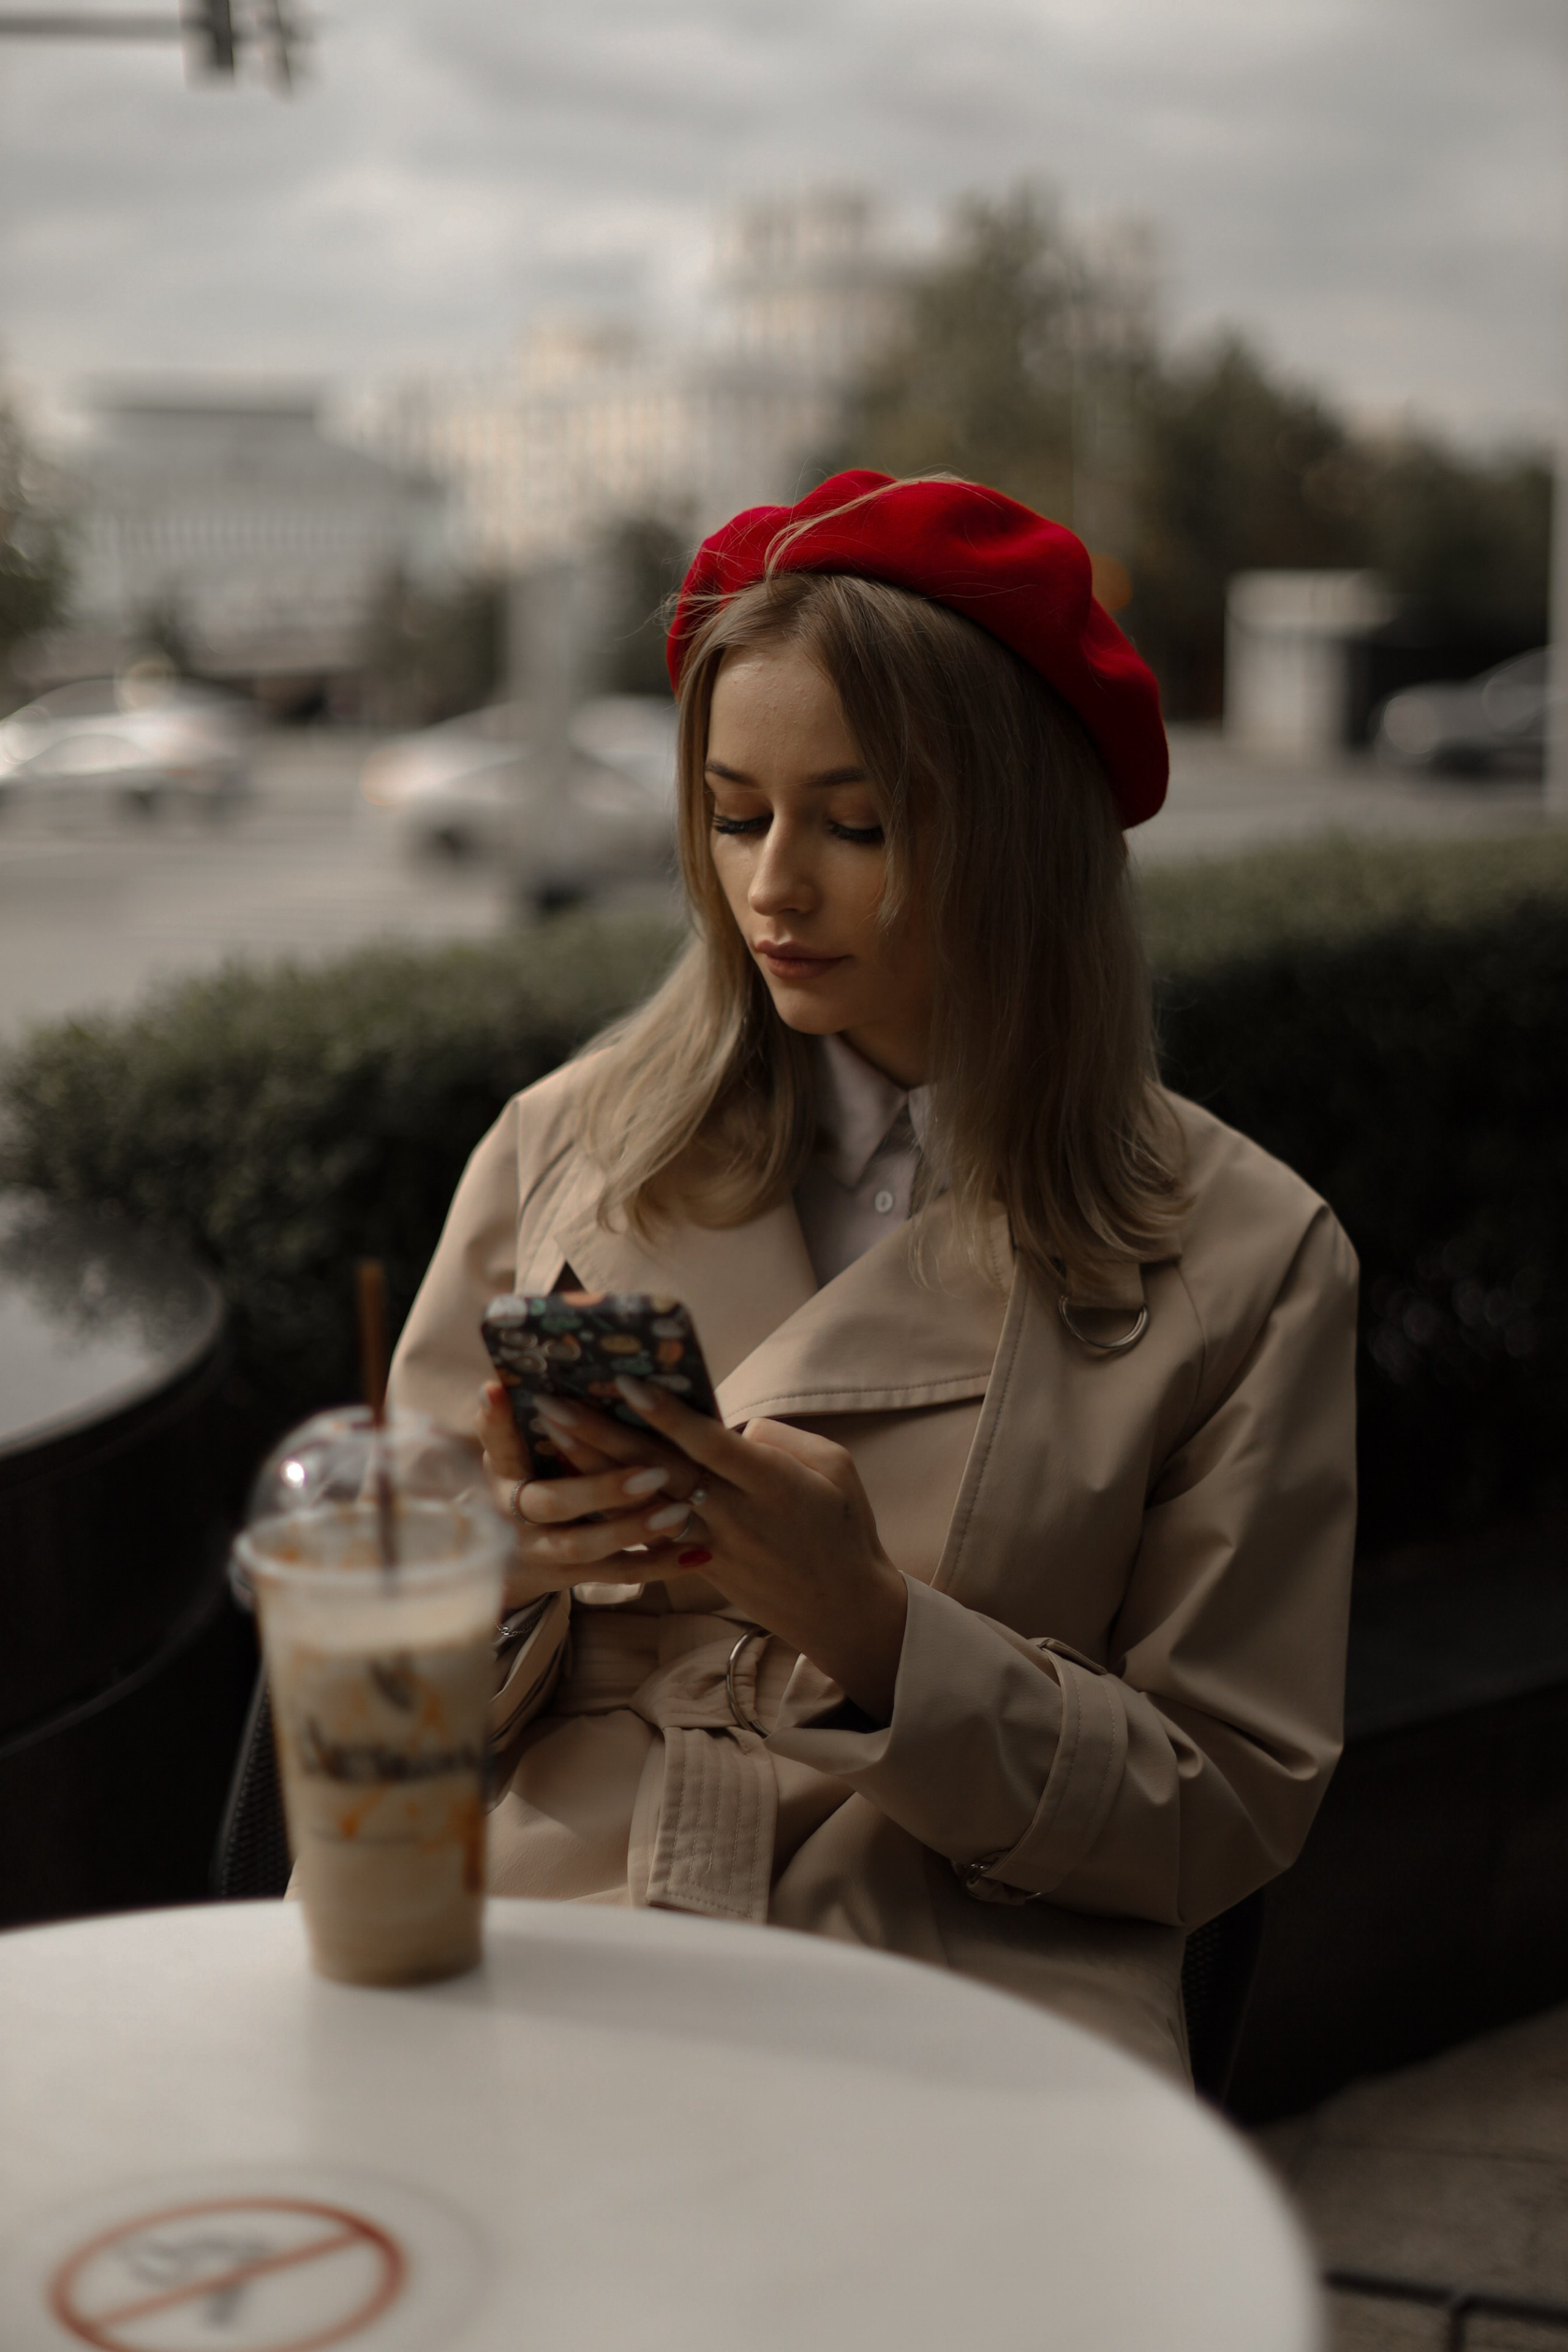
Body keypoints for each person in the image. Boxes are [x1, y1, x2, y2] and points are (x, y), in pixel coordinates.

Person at [388, 469, 1358, 2083]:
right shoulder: (562, 1145)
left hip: (958, 1979)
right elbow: (358, 1633)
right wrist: (490, 1572)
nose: (773, 887)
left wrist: (880, 1634)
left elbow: (1229, 1797)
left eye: (857, 823)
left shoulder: (1253, 1255)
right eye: (733, 812)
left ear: (1026, 837)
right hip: (531, 1913)